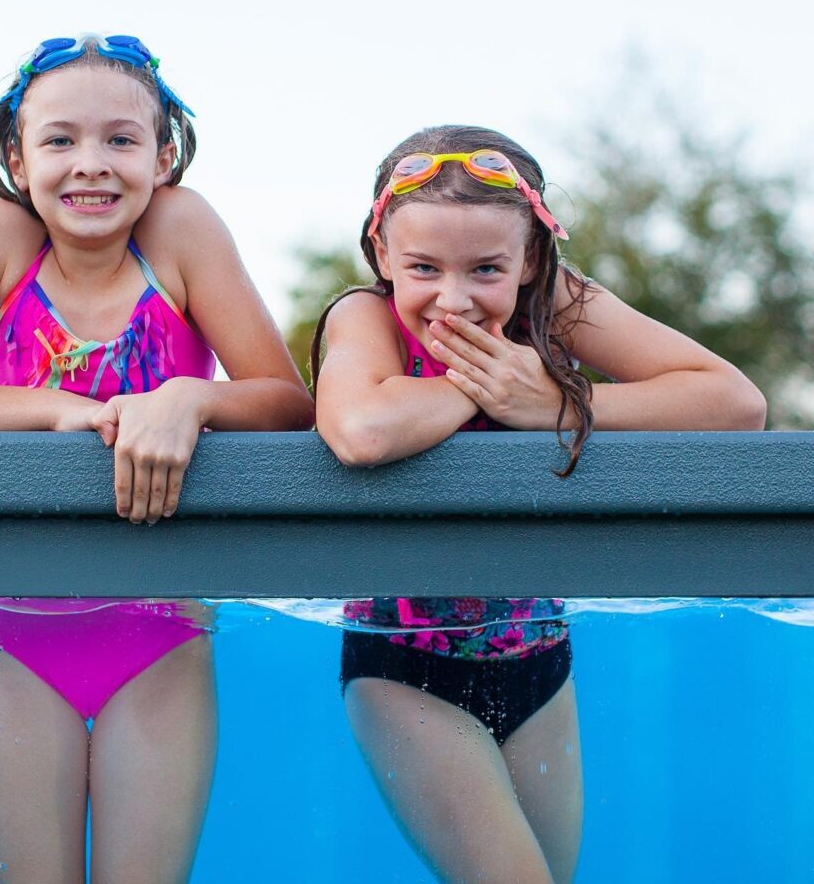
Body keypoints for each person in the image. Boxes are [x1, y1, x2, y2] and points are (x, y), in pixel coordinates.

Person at [0, 34, 313, 884]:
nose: (89, 164)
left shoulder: (180, 228)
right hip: (13, 637)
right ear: (17, 159)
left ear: (163, 156)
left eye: (120, 140)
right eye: (59, 140)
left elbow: (285, 401)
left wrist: (189, 398)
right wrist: (60, 408)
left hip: (161, 632)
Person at [311, 125, 766, 884]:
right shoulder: (365, 314)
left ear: (529, 259)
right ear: (384, 252)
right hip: (400, 664)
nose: (451, 298)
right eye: (423, 267)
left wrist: (559, 399)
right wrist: (492, 386)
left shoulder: (553, 305)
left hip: (539, 653)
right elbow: (360, 430)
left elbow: (735, 403)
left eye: (486, 268)